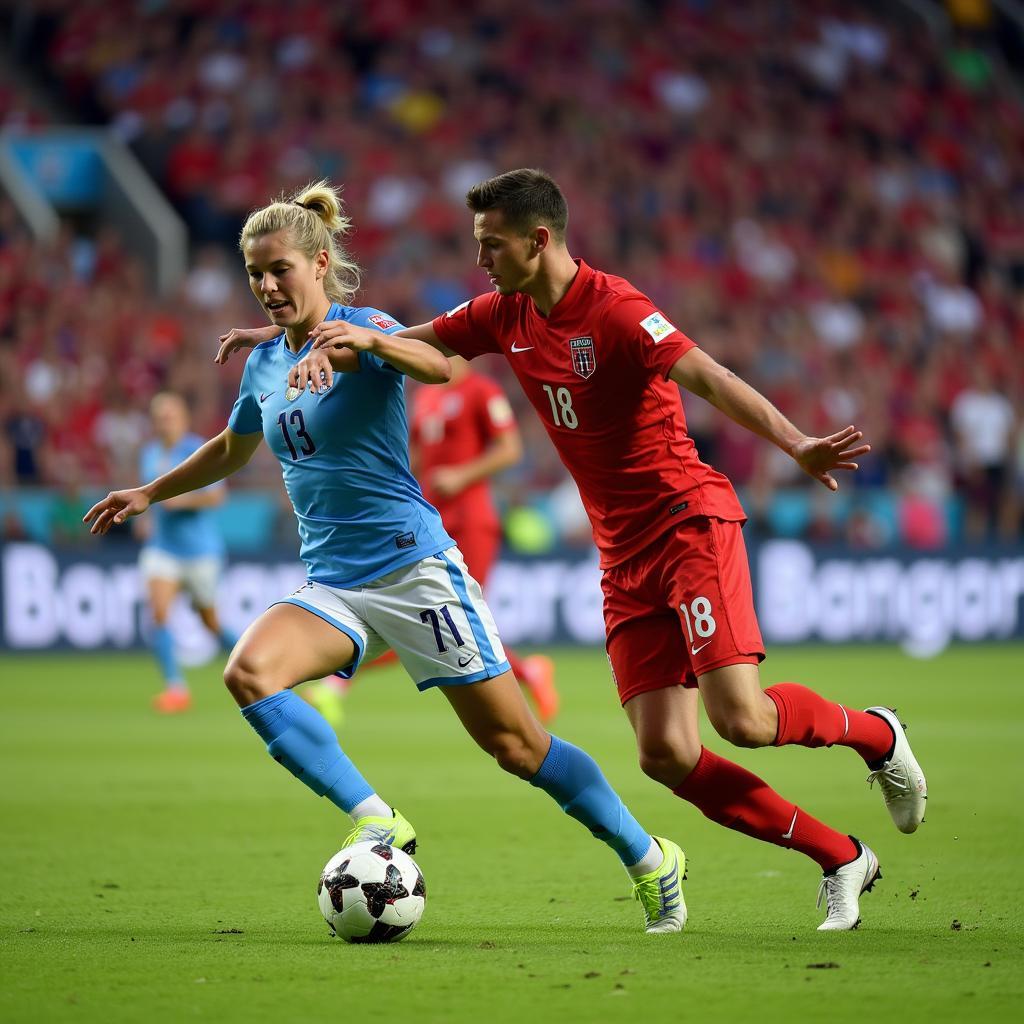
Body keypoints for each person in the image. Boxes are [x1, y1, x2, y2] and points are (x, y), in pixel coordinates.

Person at [259, 169, 929, 932]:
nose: (480, 260)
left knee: (740, 719)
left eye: (491, 245)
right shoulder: (505, 312)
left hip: (687, 523)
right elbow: (405, 346)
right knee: (667, 757)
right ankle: (841, 856)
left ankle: (878, 733)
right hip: (622, 555)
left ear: (538, 241)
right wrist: (292, 339)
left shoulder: (615, 310)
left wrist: (796, 443)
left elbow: (706, 375)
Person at [87, 180, 686, 935]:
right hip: (334, 581)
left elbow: (446, 369)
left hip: (414, 571)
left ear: (319, 261)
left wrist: (369, 343)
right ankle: (378, 820)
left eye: (281, 270)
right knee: (249, 671)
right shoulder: (265, 363)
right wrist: (150, 490)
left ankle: (649, 859)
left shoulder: (364, 328)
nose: (268, 287)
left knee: (518, 745)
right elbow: (232, 448)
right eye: (255, 275)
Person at [307, 356, 560, 726]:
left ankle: (335, 684)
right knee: (433, 614)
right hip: (428, 519)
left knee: (445, 614)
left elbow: (509, 449)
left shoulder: (482, 391)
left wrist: (462, 475)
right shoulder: (425, 397)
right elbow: (418, 455)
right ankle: (531, 672)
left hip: (472, 519)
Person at [137, 391, 239, 713]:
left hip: (200, 552)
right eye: (160, 417)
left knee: (211, 623)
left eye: (170, 416)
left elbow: (216, 497)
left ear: (182, 419)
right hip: (163, 549)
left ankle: (257, 664)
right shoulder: (151, 454)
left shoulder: (196, 449)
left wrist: (179, 501)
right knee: (159, 614)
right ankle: (175, 688)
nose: (165, 422)